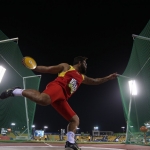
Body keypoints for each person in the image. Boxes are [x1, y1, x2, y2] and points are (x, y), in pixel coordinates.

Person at [0, 56, 117, 150]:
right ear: (80, 62)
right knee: (43, 100)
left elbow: (95, 81)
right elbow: (48, 69)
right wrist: (34, 67)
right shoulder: (67, 67)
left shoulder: (82, 77)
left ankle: (70, 142)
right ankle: (16, 91)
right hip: (57, 87)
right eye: (85, 63)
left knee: (75, 119)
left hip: (63, 98)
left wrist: (108, 78)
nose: (87, 65)